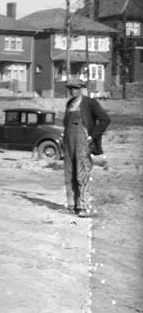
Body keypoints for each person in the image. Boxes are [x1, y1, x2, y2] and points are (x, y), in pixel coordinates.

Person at [60, 79, 110, 218]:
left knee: (82, 174)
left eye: (75, 88)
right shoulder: (69, 104)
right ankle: (72, 205)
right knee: (69, 173)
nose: (72, 91)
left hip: (83, 143)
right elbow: (66, 123)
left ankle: (83, 206)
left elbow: (105, 119)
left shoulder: (90, 103)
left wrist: (93, 136)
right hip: (69, 143)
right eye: (70, 88)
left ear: (81, 88)